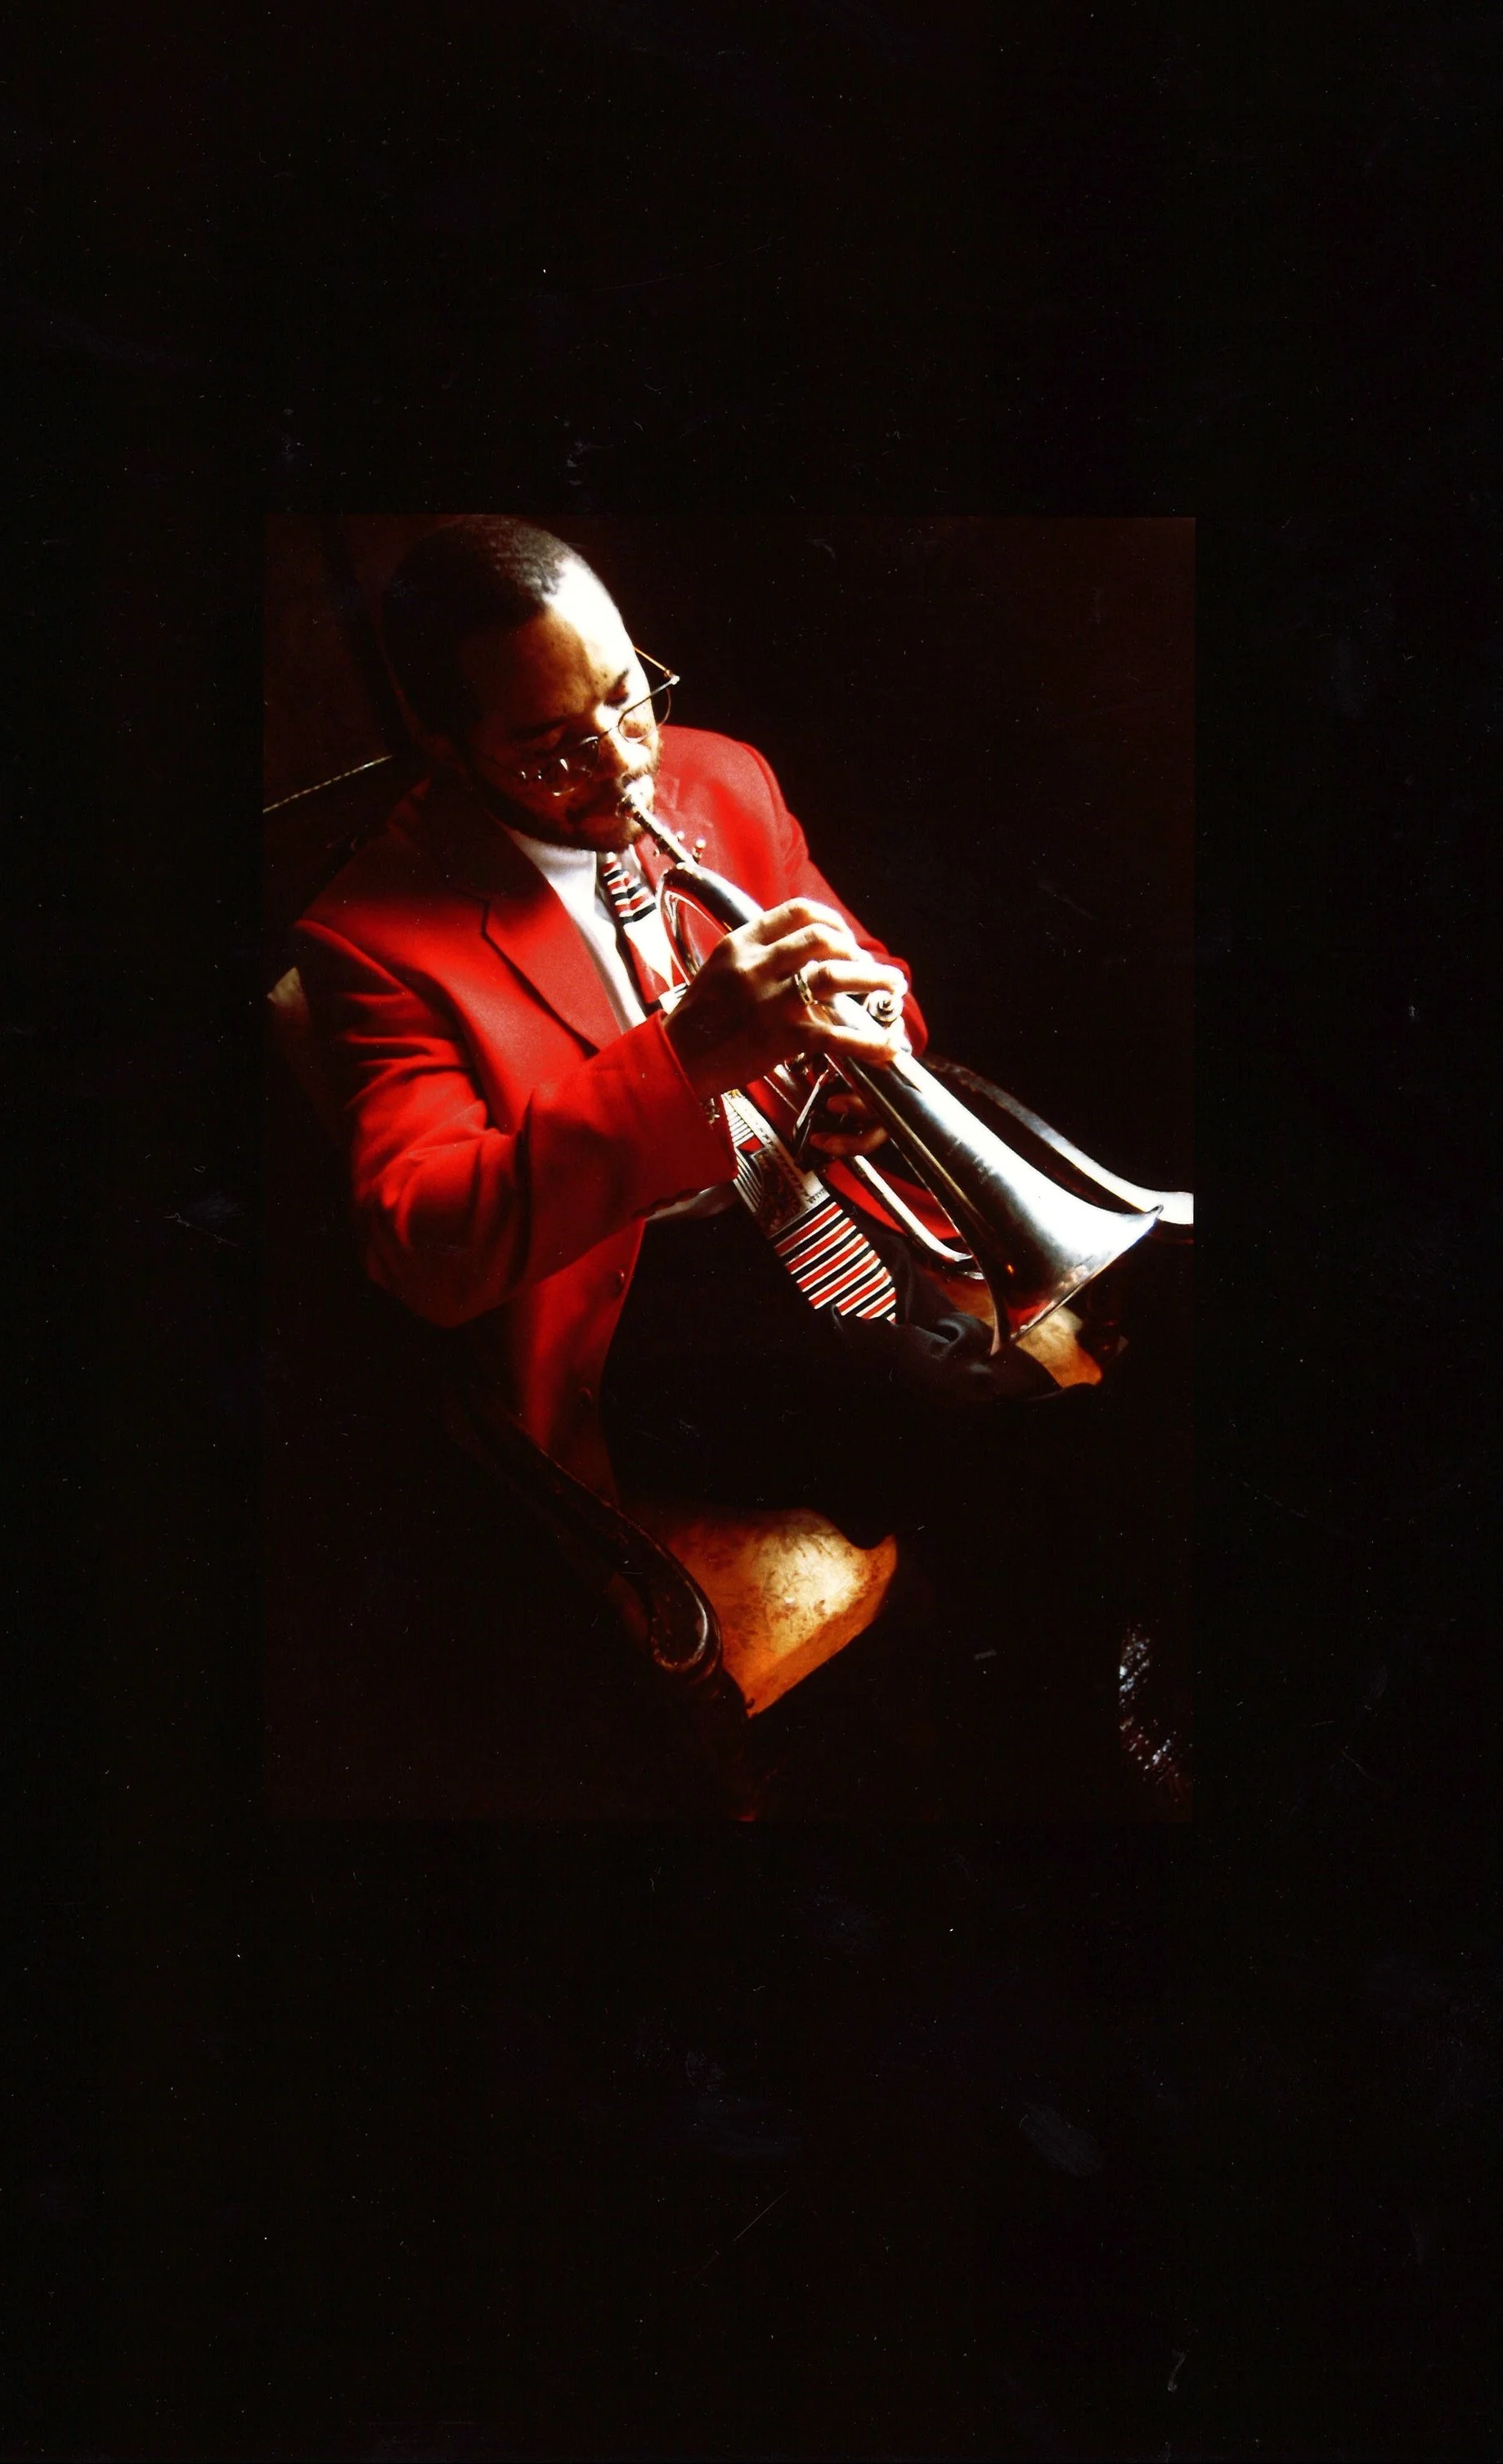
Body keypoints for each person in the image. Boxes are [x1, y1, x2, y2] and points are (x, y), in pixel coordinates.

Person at [293, 517, 1066, 1803]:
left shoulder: (721, 773)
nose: (625, 762)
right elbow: (427, 1246)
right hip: (647, 1299)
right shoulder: (370, 938)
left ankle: (994, 1677)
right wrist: (683, 1059)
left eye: (626, 693)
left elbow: (874, 977)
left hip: (834, 1203)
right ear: (445, 746)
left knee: (1017, 1438)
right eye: (553, 748)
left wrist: (868, 1070)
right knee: (997, 1454)